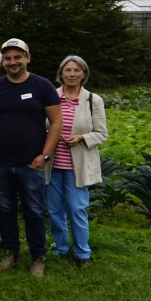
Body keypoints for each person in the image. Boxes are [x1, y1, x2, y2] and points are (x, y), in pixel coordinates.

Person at [0, 39, 62, 278]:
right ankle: (11, 253)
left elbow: (56, 123)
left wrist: (45, 154)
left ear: (27, 58)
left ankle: (38, 257)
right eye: (9, 58)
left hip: (31, 163)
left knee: (33, 210)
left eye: (18, 57)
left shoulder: (43, 86)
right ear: (4, 62)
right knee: (5, 209)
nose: (13, 62)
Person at [46, 55, 108, 266]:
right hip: (52, 164)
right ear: (61, 74)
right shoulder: (50, 96)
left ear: (84, 74)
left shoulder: (93, 100)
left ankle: (83, 252)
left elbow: (101, 133)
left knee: (77, 209)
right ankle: (60, 247)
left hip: (77, 166)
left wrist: (81, 137)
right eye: (68, 70)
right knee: (54, 210)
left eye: (77, 70)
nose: (72, 74)